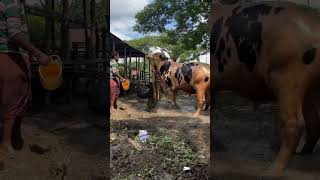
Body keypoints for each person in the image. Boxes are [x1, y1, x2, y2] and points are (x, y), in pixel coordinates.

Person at [0, 0, 49, 161]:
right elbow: (14, 33)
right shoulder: (12, 2)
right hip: (11, 56)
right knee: (13, 101)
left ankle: (15, 137)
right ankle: (6, 144)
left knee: (15, 99)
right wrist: (37, 53)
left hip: (10, 56)